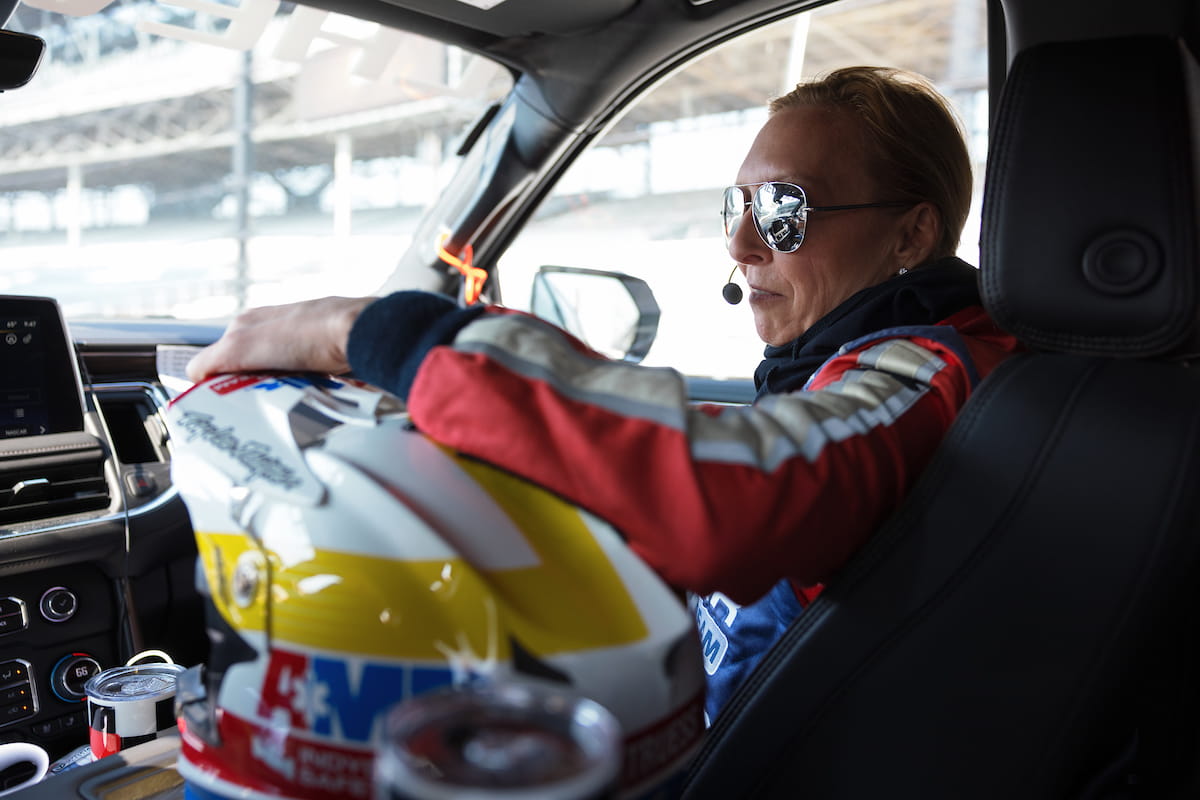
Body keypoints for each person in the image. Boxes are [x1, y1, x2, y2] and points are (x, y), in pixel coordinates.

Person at [186, 66, 1021, 723]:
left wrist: (371, 332)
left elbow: (739, 494)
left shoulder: (932, 375)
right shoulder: (856, 374)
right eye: (737, 205)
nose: (741, 243)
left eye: (783, 210)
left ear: (912, 232)